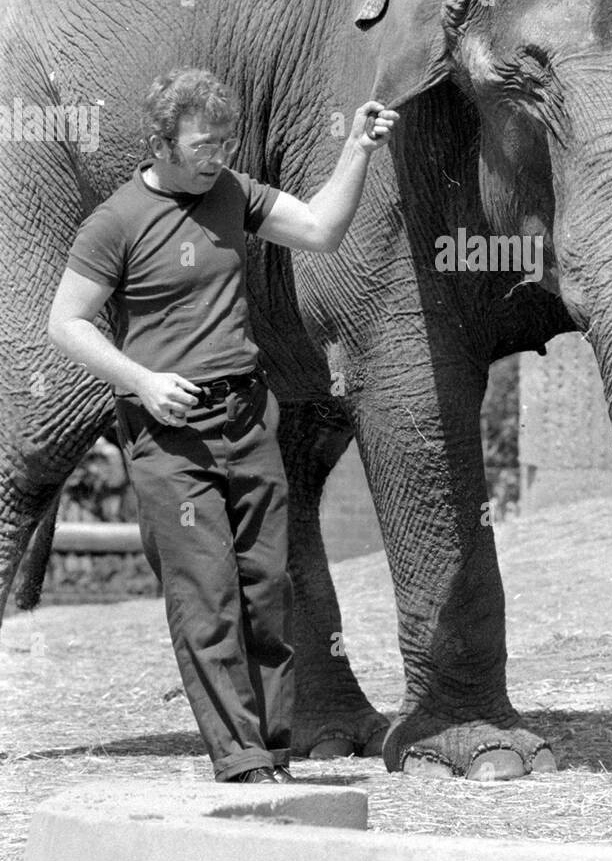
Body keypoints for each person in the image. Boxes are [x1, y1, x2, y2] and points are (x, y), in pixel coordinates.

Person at [47, 67, 398, 783]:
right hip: (169, 436)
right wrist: (140, 381)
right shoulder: (115, 221)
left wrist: (357, 149)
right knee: (206, 596)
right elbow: (66, 323)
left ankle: (272, 750)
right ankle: (238, 761)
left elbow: (323, 231)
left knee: (268, 588)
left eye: (226, 141)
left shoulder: (234, 193)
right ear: (163, 145)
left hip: (246, 419)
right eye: (204, 144)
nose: (218, 155)